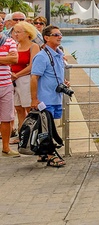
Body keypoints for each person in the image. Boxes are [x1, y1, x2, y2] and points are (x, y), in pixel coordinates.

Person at [29, 25, 67, 167]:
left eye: (60, 34)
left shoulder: (58, 54)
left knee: (49, 126)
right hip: (45, 98)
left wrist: (63, 82)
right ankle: (51, 156)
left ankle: (42, 153)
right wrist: (34, 99)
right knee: (48, 127)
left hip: (55, 97)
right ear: (46, 37)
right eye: (56, 34)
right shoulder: (42, 56)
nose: (59, 37)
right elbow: (34, 78)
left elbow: (54, 73)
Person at [10, 22, 39, 143]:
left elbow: (33, 66)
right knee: (18, 108)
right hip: (13, 80)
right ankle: (22, 135)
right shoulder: (15, 46)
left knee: (28, 108)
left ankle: (32, 135)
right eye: (14, 32)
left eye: (18, 32)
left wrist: (17, 75)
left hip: (25, 80)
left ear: (27, 33)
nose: (15, 34)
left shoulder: (33, 47)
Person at [0, 27, 19, 157]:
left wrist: (9, 58)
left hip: (6, 85)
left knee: (7, 118)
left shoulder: (9, 41)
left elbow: (14, 59)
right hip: (6, 83)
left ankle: (6, 148)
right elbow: (9, 59)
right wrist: (5, 57)